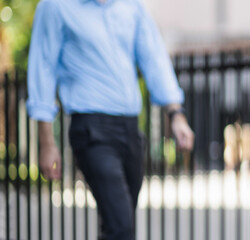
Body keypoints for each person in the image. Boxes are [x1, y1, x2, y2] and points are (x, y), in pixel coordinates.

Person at [26, 0, 194, 239]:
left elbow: (154, 59)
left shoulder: (131, 7)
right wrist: (47, 143)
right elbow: (42, 68)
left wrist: (176, 115)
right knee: (121, 226)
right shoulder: (56, 6)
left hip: (130, 129)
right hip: (91, 131)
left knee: (119, 223)